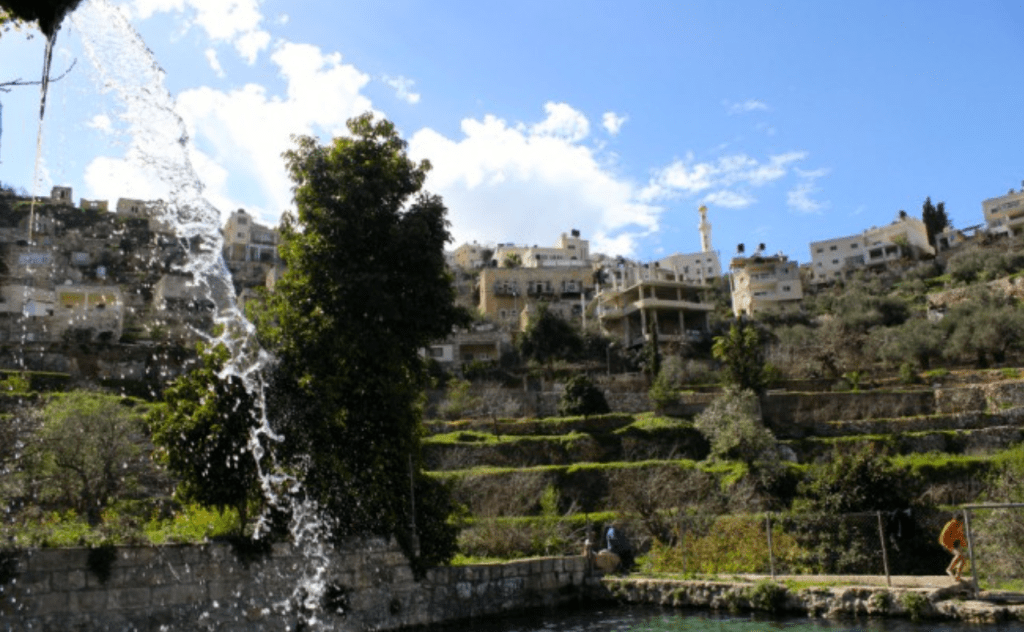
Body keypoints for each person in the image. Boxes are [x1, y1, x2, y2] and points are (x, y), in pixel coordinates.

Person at [939, 513, 967, 581]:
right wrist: (964, 544)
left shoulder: (958, 524)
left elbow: (960, 536)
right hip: (946, 542)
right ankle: (949, 569)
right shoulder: (951, 524)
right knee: (958, 555)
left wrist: (964, 545)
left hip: (954, 542)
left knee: (963, 558)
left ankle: (957, 576)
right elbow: (944, 537)